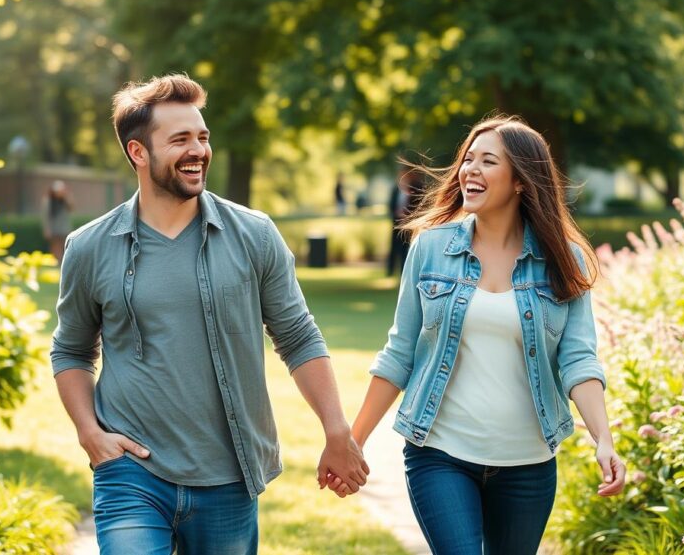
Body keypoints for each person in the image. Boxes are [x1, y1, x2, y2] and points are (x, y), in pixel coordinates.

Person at [49, 73, 368, 555]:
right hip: (132, 473)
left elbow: (298, 337)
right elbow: (71, 350)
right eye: (180, 140)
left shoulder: (254, 235)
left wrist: (336, 429)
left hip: (227, 477)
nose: (198, 150)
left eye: (202, 137)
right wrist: (90, 433)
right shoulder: (90, 247)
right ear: (139, 153)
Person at [334, 116, 625, 554]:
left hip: (527, 463)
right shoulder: (430, 247)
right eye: (468, 159)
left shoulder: (565, 262)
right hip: (440, 452)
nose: (470, 169)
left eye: (488, 161)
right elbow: (399, 353)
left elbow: (578, 359)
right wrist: (352, 443)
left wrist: (602, 437)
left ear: (522, 181)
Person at [386, 169, 420, 275]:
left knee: (405, 248)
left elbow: (417, 206)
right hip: (396, 223)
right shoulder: (395, 190)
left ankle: (403, 270)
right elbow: (391, 204)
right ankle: (390, 271)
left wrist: (407, 214)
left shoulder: (415, 190)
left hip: (408, 224)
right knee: (393, 247)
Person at [42, 180, 73, 261]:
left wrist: (66, 197)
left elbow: (71, 208)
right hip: (53, 228)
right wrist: (47, 229)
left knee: (65, 245)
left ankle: (63, 261)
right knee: (55, 246)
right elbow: (46, 216)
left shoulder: (64, 201)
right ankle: (56, 261)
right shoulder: (48, 201)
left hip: (64, 227)